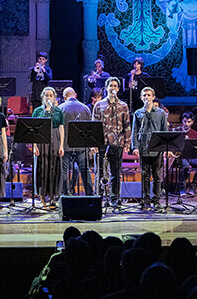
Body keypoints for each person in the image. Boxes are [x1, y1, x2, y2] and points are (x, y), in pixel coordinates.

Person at [93, 77, 130, 206]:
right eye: (110, 86)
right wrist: (94, 145)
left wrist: (127, 143)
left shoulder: (123, 106)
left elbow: (127, 125)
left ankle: (115, 198)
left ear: (118, 89)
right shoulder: (99, 105)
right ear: (106, 88)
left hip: (117, 142)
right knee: (100, 172)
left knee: (115, 172)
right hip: (102, 142)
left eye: (115, 86)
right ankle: (99, 198)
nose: (112, 88)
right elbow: (94, 126)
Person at [133, 87, 168, 209]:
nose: (146, 97)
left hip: (157, 149)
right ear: (141, 98)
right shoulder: (138, 113)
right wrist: (135, 147)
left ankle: (156, 199)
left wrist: (164, 148)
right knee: (145, 175)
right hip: (144, 148)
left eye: (149, 95)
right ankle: (146, 199)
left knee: (157, 176)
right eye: (144, 95)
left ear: (153, 97)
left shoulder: (160, 113)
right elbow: (134, 131)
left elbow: (165, 131)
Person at [32, 87, 65, 208]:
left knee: (53, 168)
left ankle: (52, 197)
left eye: (51, 95)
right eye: (46, 95)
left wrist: (61, 145)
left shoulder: (58, 111)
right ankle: (42, 197)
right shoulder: (37, 111)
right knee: (42, 168)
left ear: (54, 97)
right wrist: (34, 145)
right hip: (41, 140)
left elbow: (61, 128)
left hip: (55, 139)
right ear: (43, 97)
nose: (49, 97)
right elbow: (33, 129)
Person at [59, 87, 94, 196]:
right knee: (84, 171)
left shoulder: (60, 108)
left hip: (65, 145)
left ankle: (65, 194)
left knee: (64, 171)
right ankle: (90, 195)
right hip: (81, 145)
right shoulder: (85, 108)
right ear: (75, 95)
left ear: (64, 97)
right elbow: (90, 128)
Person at [177, 111, 197, 196]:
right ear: (182, 121)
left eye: (189, 122)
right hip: (180, 156)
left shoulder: (195, 134)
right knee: (185, 165)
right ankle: (182, 189)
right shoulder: (177, 131)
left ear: (192, 122)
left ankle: (193, 188)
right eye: (185, 121)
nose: (186, 124)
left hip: (191, 157)